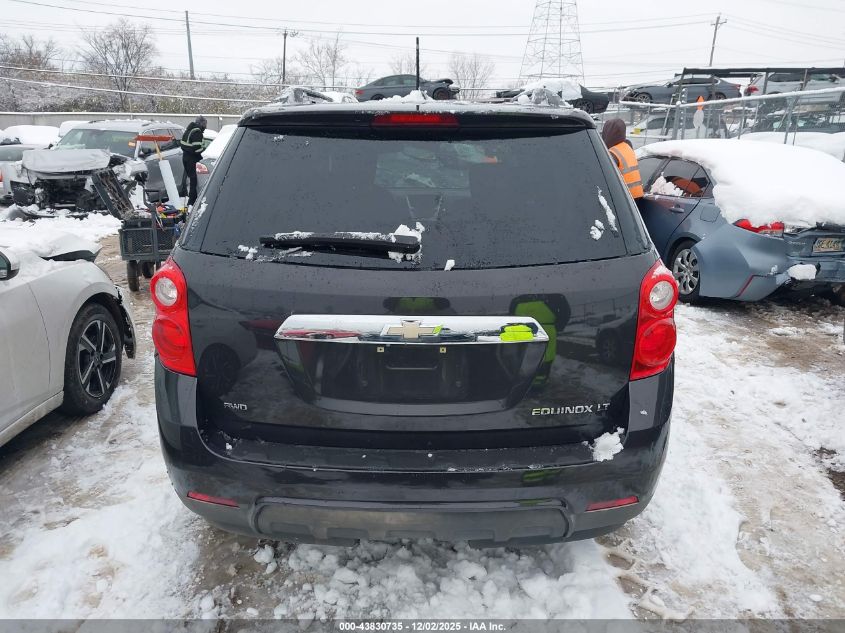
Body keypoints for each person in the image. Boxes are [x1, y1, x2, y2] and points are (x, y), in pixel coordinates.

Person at [601, 118, 643, 199]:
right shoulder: (627, 147)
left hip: (625, 197)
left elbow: (606, 178)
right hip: (637, 195)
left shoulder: (613, 153)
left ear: (608, 133)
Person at [179, 115, 207, 206]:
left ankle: (191, 201)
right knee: (194, 182)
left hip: (186, 158)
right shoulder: (197, 132)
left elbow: (183, 145)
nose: (205, 127)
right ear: (201, 124)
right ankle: (192, 203)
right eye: (205, 124)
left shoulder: (189, 130)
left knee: (191, 180)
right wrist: (204, 150)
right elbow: (197, 149)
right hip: (193, 160)